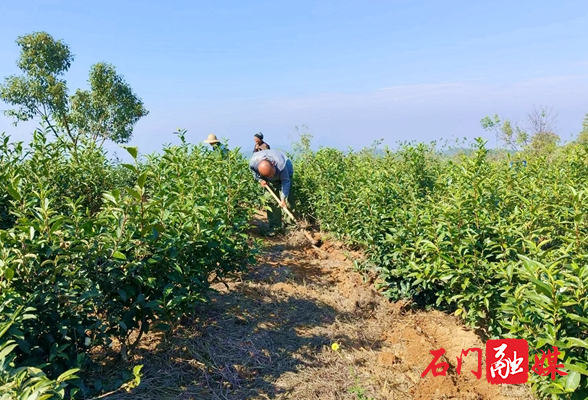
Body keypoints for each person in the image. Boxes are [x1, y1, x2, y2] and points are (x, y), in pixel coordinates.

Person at [249, 149, 294, 234]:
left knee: (287, 202)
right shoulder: (253, 162)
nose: (271, 176)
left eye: (272, 174)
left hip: (285, 176)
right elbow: (252, 171)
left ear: (273, 165)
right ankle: (275, 227)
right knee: (270, 201)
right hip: (267, 181)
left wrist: (283, 199)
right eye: (269, 175)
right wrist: (260, 179)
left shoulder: (281, 165)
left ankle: (291, 228)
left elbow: (286, 181)